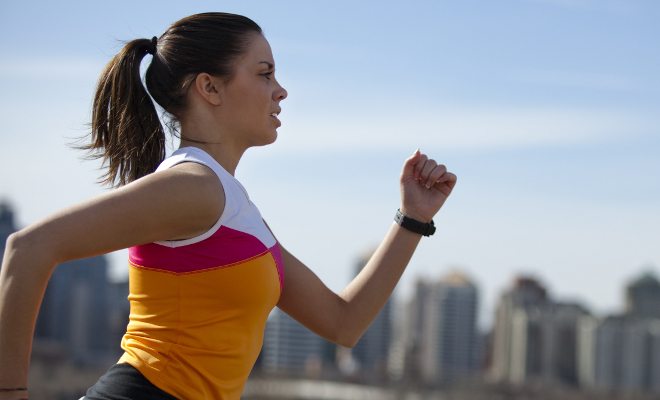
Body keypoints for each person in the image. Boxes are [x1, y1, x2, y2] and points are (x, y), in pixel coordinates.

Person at [0, 12, 457, 400]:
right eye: (264, 74)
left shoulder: (231, 205)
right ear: (210, 88)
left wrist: (413, 217)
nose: (281, 91)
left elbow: (343, 322)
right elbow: (28, 249)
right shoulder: (194, 187)